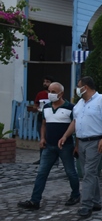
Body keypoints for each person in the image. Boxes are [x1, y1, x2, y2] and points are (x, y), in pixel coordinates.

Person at [58, 76, 102, 219]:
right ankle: (96, 201)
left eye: (79, 86)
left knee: (89, 173)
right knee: (88, 172)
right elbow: (75, 122)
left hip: (95, 140)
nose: (77, 89)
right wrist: (65, 136)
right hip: (82, 141)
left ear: (86, 87)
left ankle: (86, 205)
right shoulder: (80, 103)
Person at [18, 82, 80, 210]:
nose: (50, 94)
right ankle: (35, 200)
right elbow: (44, 124)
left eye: (53, 92)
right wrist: (42, 138)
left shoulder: (70, 108)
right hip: (49, 146)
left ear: (61, 94)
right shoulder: (46, 107)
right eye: (49, 91)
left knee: (70, 172)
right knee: (41, 173)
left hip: (65, 146)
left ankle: (75, 194)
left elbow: (76, 126)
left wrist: (76, 145)